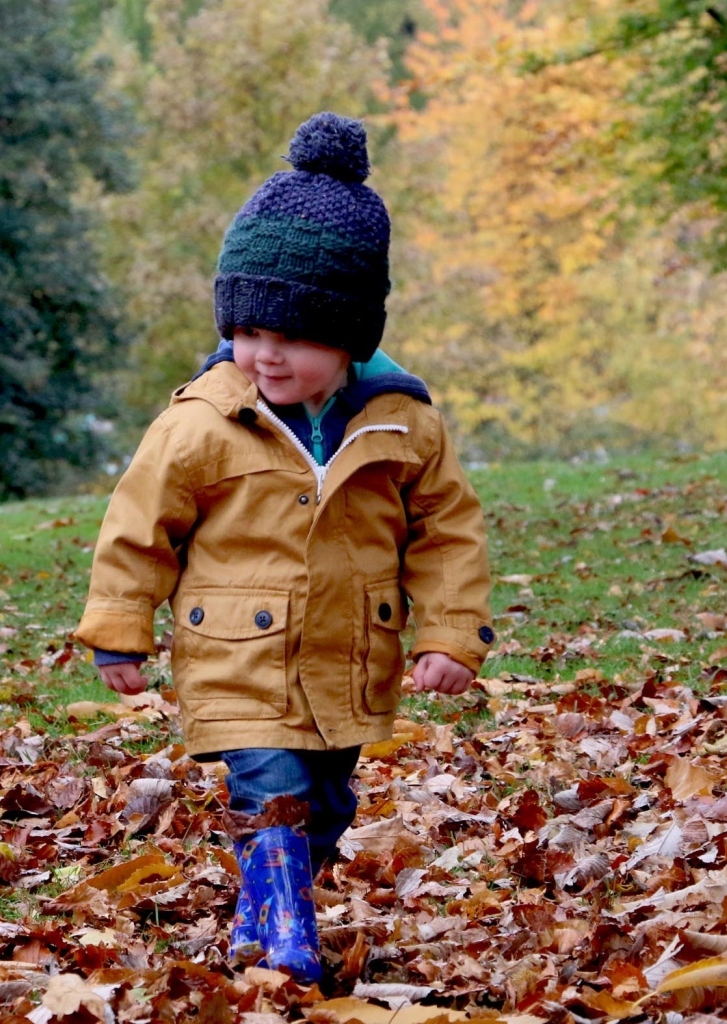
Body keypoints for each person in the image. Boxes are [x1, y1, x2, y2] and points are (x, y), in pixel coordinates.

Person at [74, 112, 494, 984]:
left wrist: (450, 635)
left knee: (329, 803)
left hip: (348, 661)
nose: (264, 354)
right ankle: (292, 940)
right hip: (235, 653)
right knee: (272, 791)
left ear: (348, 335)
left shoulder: (402, 422)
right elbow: (140, 520)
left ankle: (259, 915)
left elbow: (447, 532)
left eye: (292, 336)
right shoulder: (203, 422)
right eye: (249, 331)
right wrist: (120, 623)